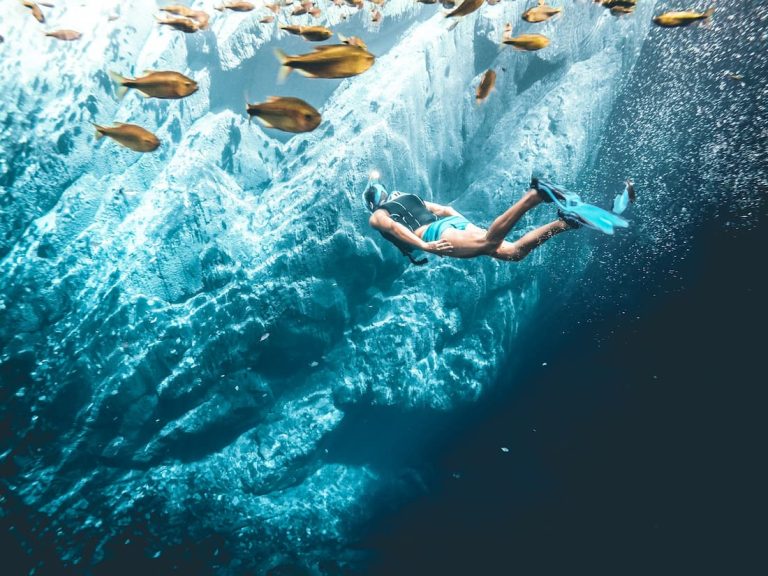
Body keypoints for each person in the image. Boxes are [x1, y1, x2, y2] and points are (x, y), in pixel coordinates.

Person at [364, 177, 581, 265]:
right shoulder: (411, 197)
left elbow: (393, 226)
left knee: (489, 242)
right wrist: (465, 226)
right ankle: (565, 223)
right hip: (452, 225)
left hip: (436, 235)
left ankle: (535, 195)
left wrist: (424, 246)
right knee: (513, 253)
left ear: (372, 203)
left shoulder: (377, 215)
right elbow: (445, 209)